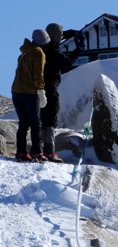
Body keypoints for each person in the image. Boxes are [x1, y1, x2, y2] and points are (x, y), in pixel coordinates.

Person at [11, 29, 49, 162]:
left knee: (23, 123)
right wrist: (41, 91)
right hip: (30, 93)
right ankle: (37, 152)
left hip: (16, 92)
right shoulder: (38, 52)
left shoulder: (24, 52)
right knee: (35, 123)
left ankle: (21, 152)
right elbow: (38, 75)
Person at [40, 22, 73, 162]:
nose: (61, 36)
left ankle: (40, 150)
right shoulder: (54, 51)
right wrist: (79, 48)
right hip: (51, 89)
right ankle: (49, 151)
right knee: (50, 120)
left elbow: (55, 36)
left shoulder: (42, 48)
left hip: (39, 89)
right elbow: (67, 62)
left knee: (42, 120)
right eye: (60, 34)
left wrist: (69, 33)